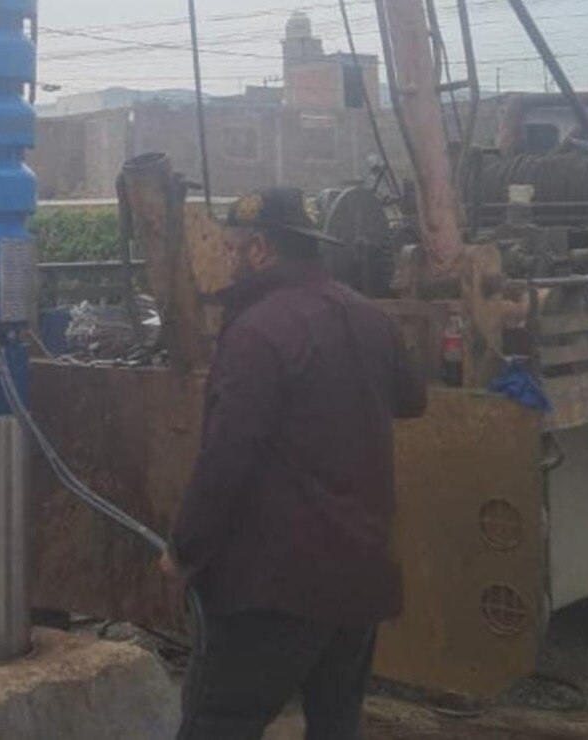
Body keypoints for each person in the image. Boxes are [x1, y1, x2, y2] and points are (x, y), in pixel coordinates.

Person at [160, 188, 427, 740]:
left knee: (218, 724)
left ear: (259, 250)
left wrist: (183, 549)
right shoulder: (367, 317)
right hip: (359, 577)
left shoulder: (257, 330)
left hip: (276, 587)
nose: (225, 259)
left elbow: (226, 458)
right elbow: (413, 399)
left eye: (231, 247)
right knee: (334, 726)